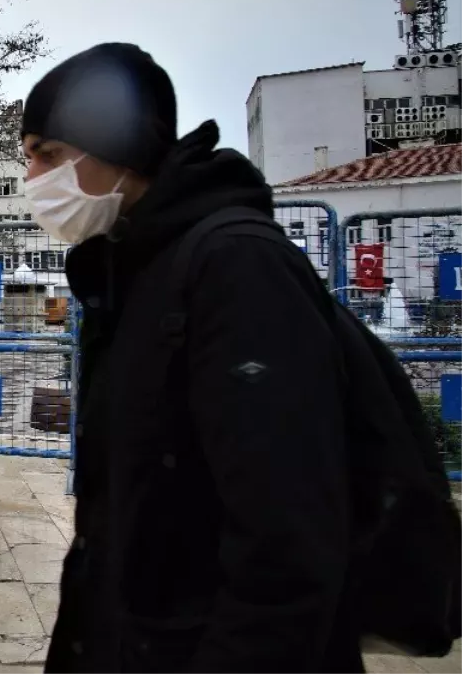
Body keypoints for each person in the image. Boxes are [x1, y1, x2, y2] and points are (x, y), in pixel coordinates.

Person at [20, 43, 361, 673]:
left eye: (49, 154)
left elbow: (287, 543)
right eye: (28, 158)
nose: (34, 180)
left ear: (116, 145)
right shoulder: (130, 267)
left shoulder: (237, 267)